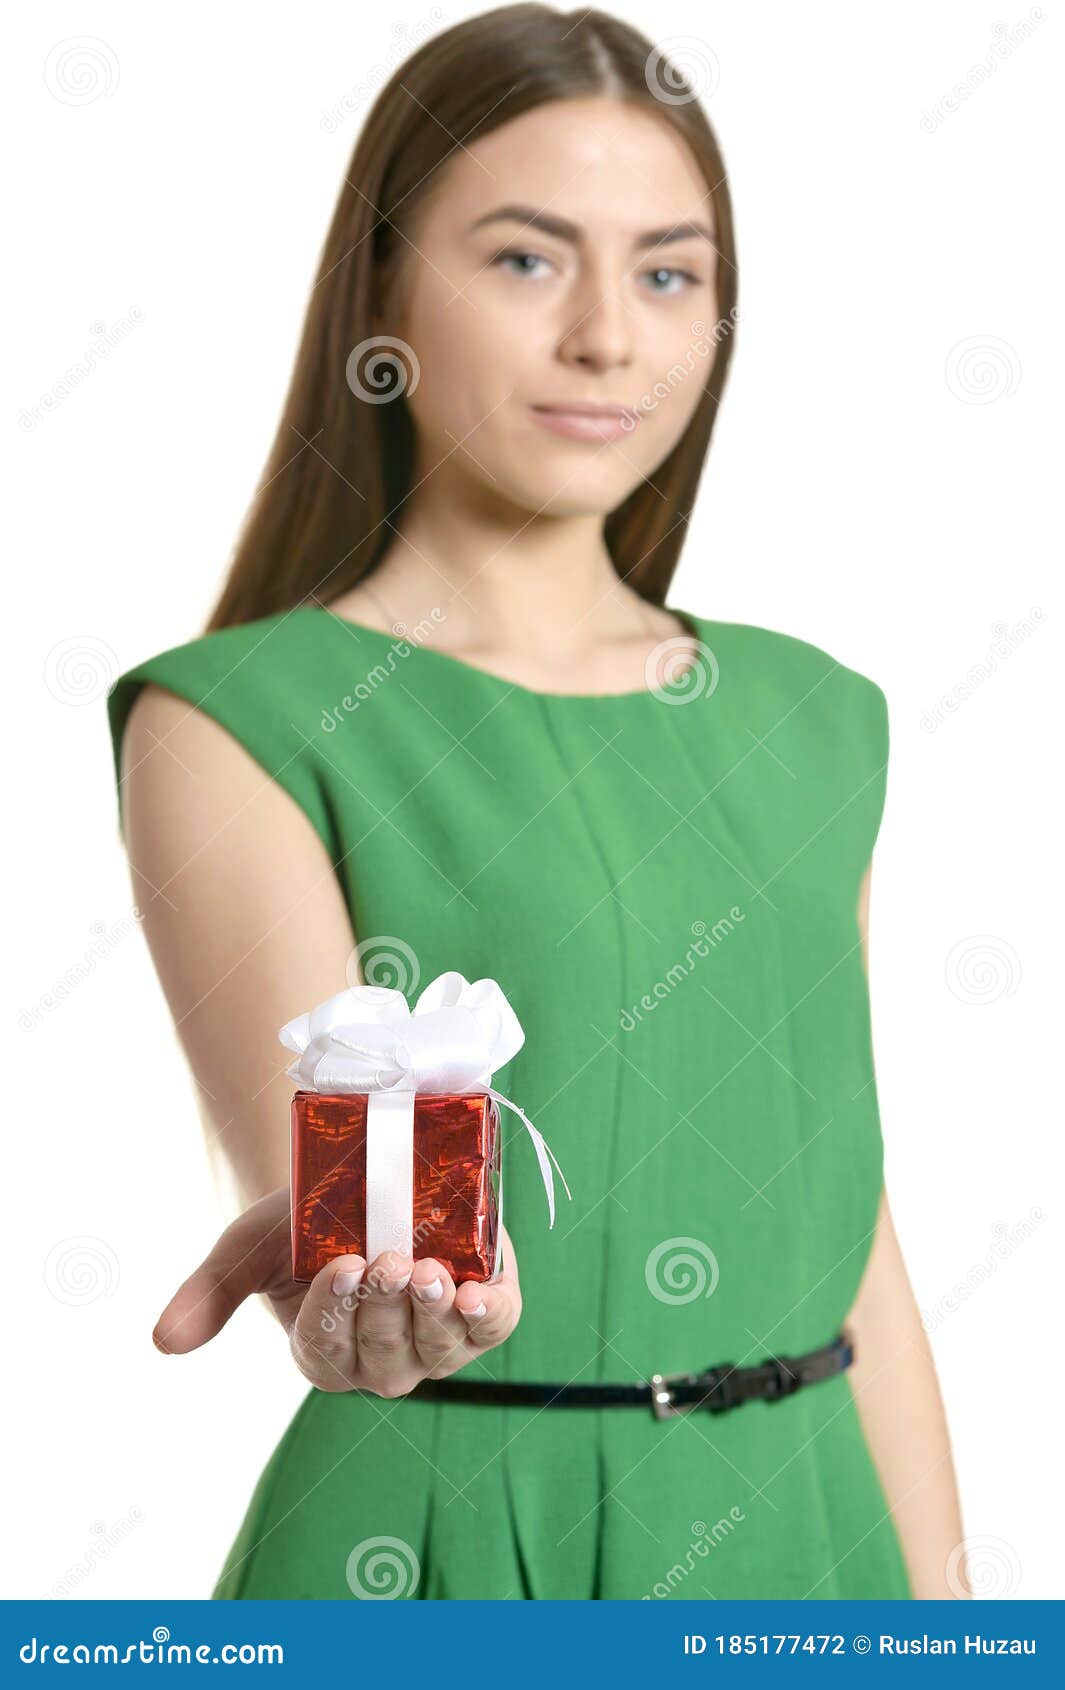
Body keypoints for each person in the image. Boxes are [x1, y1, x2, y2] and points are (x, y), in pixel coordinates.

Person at [105, 4, 967, 1600]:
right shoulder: (240, 718)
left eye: (667, 270)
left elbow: (857, 1244)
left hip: (806, 1528)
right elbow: (339, 1195)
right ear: (382, 289)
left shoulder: (814, 716)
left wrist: (949, 1613)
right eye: (523, 258)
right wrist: (385, 1276)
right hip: (439, 1549)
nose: (608, 338)